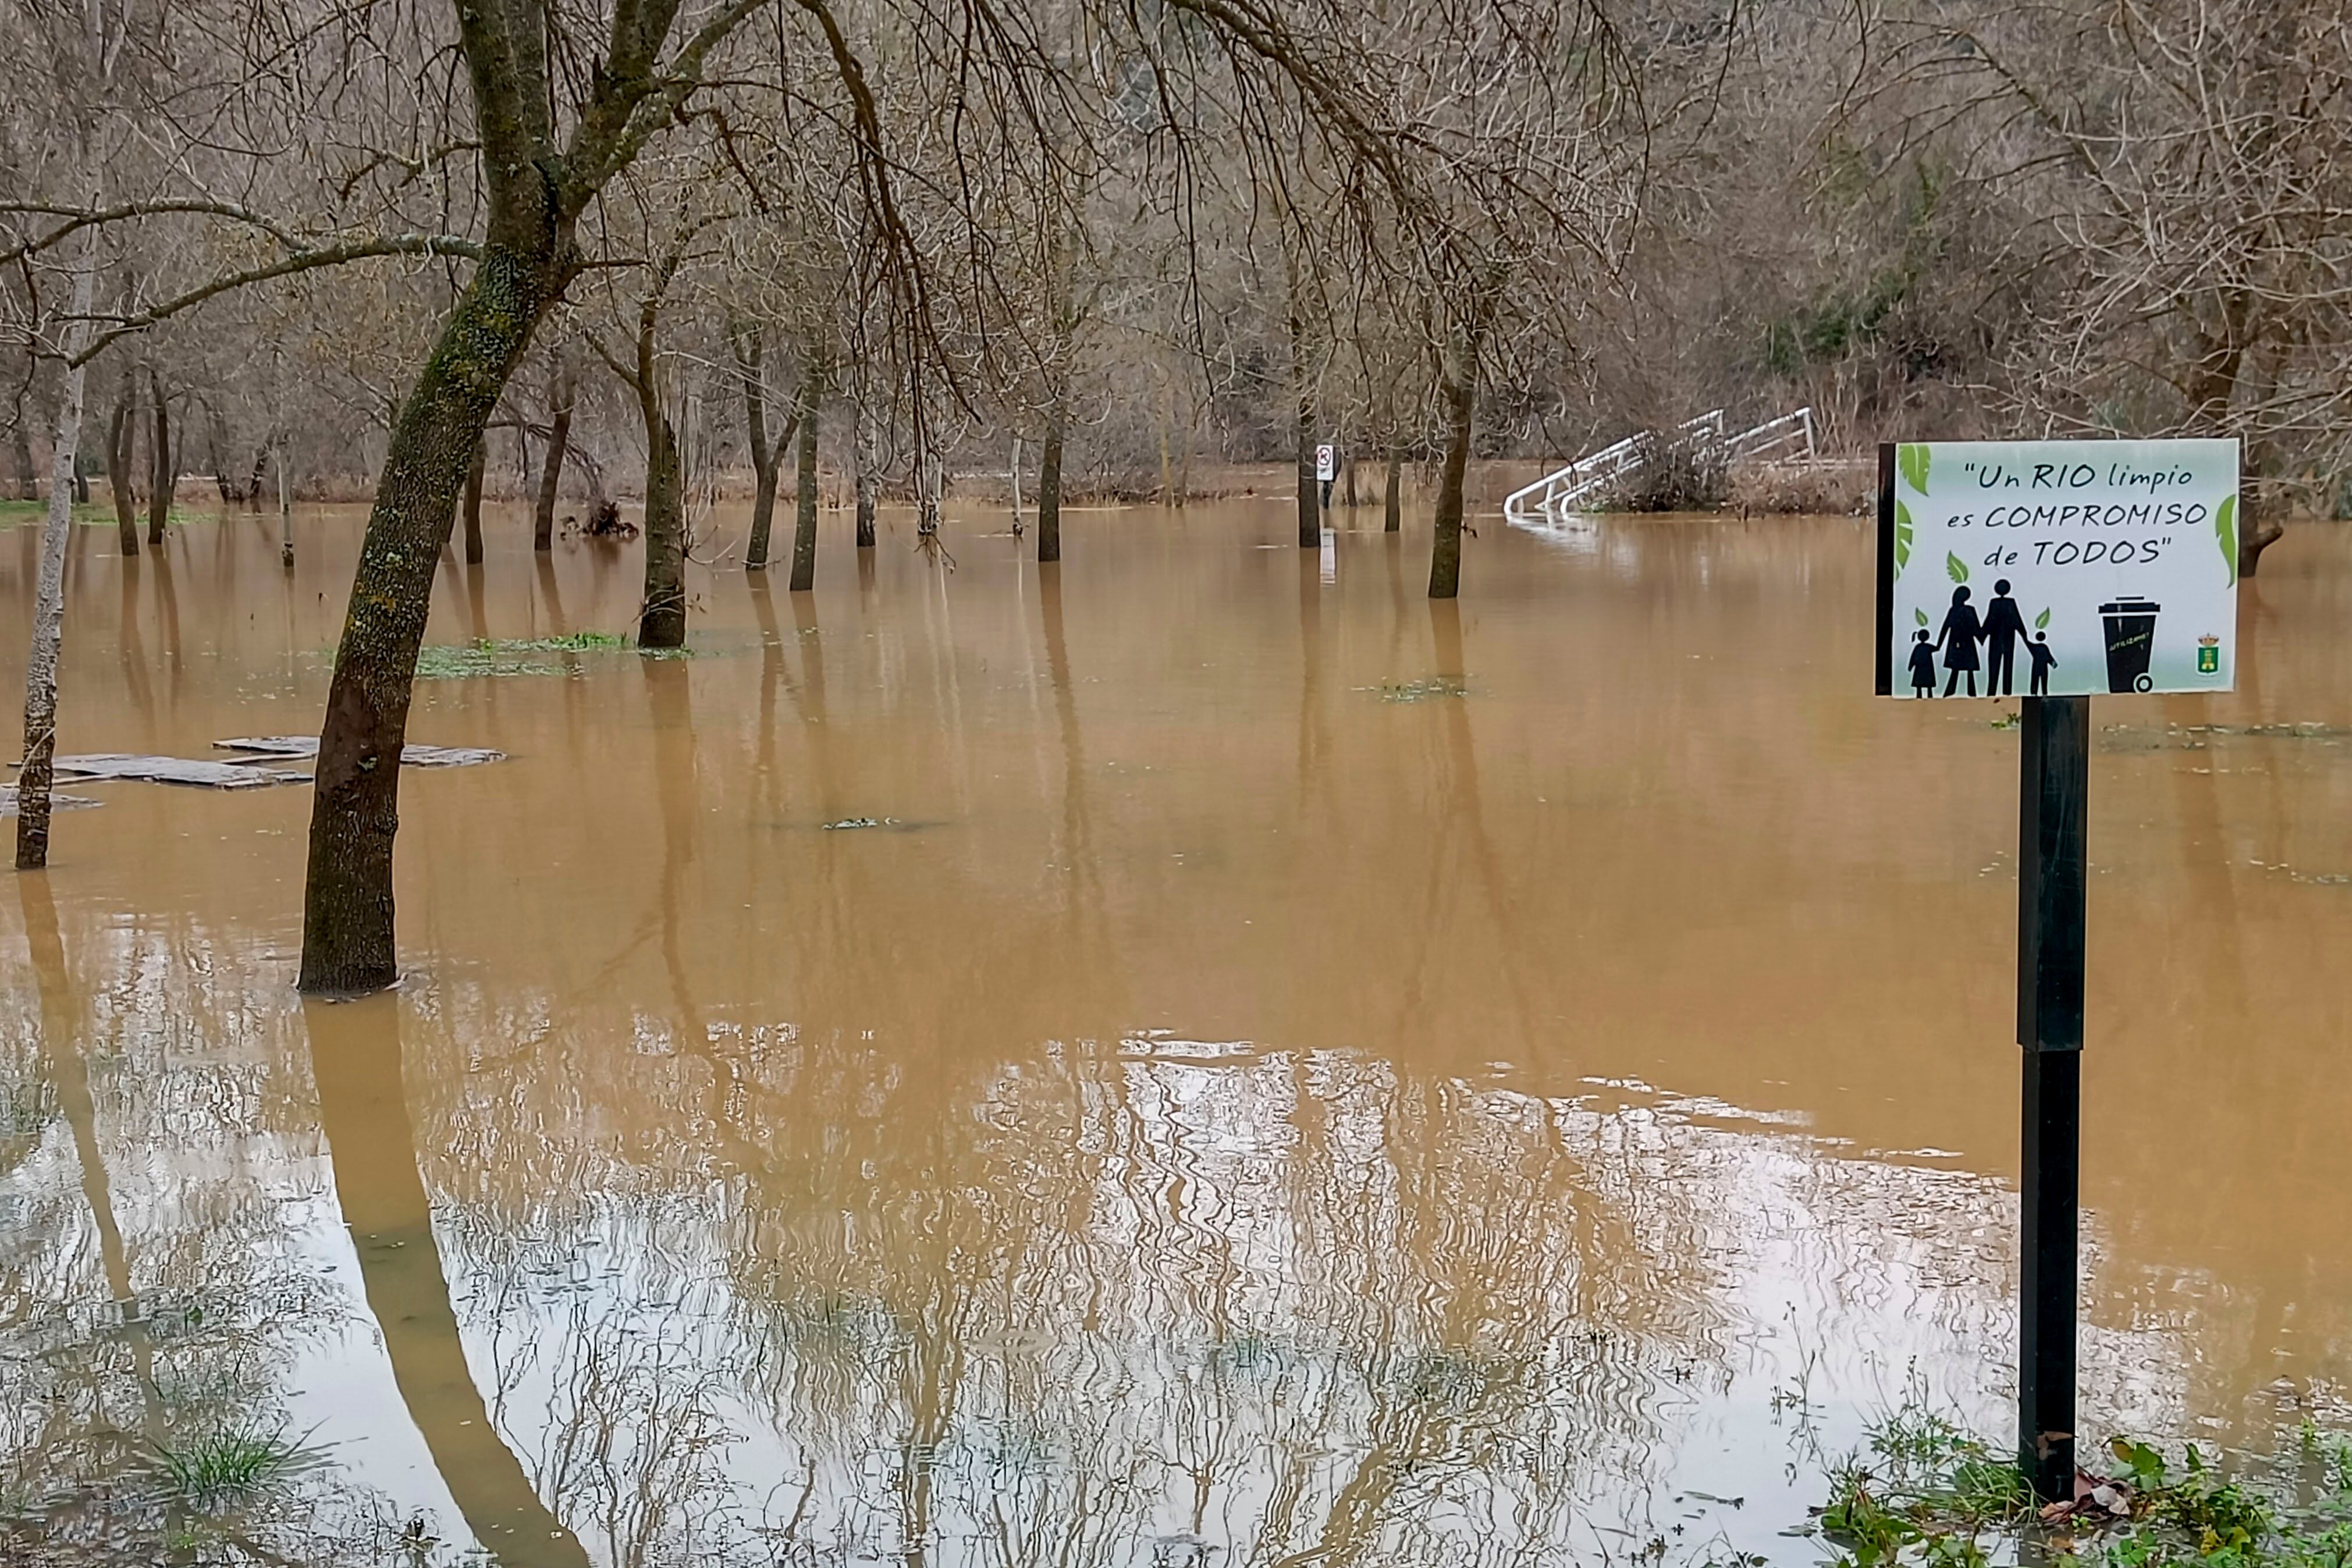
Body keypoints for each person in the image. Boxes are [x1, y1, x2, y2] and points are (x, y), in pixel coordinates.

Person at [1981, 578, 2027, 695]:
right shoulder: (2009, 603)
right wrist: (2024, 635)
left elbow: (1989, 620)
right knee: (2007, 666)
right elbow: (2017, 620)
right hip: (2007, 639)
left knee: (1995, 666)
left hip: (1997, 639)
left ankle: (1992, 691)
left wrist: (1982, 635)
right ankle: (2006, 691)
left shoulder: (1995, 603)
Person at [1935, 585, 1983, 696]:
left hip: (1959, 642)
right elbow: (1975, 628)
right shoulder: (1965, 610)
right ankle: (1956, 691)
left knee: (1959, 669)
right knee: (1961, 669)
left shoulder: (1958, 610)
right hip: (1962, 642)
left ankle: (1964, 692)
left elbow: (1946, 628)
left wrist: (1939, 645)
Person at [1908, 628, 1938, 698]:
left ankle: (1921, 697)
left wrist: (1911, 666)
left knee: (1921, 685)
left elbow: (1913, 658)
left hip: (1922, 668)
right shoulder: (1927, 647)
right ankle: (1929, 697)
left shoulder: (1919, 647)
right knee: (1927, 685)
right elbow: (1937, 648)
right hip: (1927, 668)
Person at [2027, 631, 2058, 696]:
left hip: (2036, 667)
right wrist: (2054, 664)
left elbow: (2028, 644)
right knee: (2043, 682)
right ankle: (2043, 694)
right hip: (2043, 668)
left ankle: (2034, 694)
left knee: (2035, 682)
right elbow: (2049, 657)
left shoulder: (2034, 647)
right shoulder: (2044, 647)